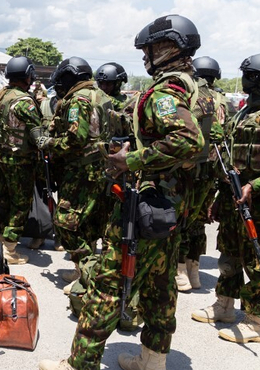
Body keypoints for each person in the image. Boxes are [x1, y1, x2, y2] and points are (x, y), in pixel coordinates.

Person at [39, 14, 204, 370]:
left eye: (149, 48)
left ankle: (79, 363)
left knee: (108, 284)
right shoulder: (197, 88)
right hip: (171, 208)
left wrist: (133, 159)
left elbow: (189, 141)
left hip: (144, 204)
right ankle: (152, 360)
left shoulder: (166, 91)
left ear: (168, 47)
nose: (145, 55)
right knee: (161, 287)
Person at [192, 51, 260, 344]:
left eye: (251, 75)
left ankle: (256, 322)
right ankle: (224, 306)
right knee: (229, 257)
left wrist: (258, 185)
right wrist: (218, 197)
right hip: (233, 202)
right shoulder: (243, 111)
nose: (246, 80)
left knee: (259, 264)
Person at [31, 56, 114, 283]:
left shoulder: (78, 100)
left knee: (65, 221)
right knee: (91, 222)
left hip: (81, 171)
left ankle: (86, 274)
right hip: (101, 169)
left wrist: (48, 143)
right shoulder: (102, 96)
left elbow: (74, 140)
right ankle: (84, 273)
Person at [174, 56, 227, 292]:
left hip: (191, 167)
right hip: (211, 170)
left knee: (182, 219)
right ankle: (193, 270)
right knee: (198, 221)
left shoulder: (194, 95)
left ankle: (180, 270)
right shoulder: (221, 100)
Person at [0, 56, 42, 265]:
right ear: (27, 75)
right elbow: (39, 138)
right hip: (20, 161)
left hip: (0, 158)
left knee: (3, 199)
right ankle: (9, 248)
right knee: (20, 204)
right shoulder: (24, 102)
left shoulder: (1, 97)